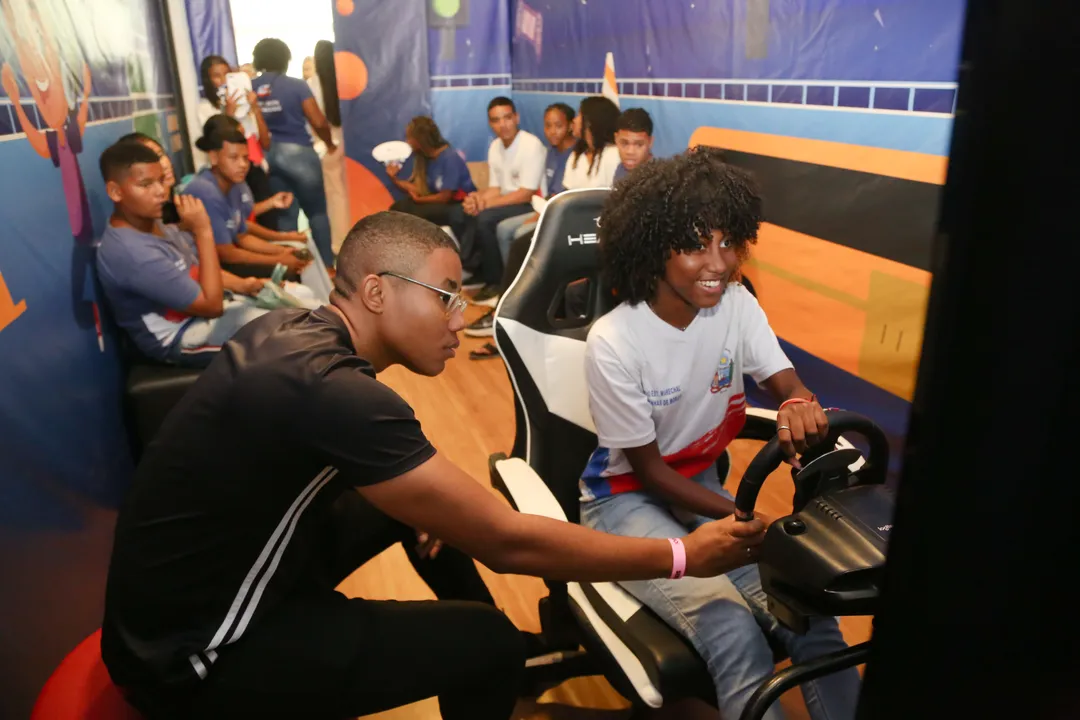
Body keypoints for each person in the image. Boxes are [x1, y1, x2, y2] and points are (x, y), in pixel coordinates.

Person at [100, 210, 768, 720]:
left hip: (174, 606)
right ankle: (491, 653)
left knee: (422, 517)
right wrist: (682, 556)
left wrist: (428, 514)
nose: (460, 317)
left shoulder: (291, 337)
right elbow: (506, 542)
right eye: (446, 294)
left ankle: (484, 654)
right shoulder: (340, 392)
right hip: (196, 657)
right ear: (376, 291)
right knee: (486, 640)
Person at [579, 149, 861, 720]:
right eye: (693, 245)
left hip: (704, 487)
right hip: (623, 502)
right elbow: (649, 472)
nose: (718, 263)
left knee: (809, 616)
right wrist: (738, 513)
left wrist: (799, 406)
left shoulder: (736, 305)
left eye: (728, 243)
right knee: (734, 632)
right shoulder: (613, 341)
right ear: (655, 246)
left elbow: (788, 383)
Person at [95, 141, 270, 367]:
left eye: (160, 181)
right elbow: (212, 306)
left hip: (203, 314)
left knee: (296, 313)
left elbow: (197, 271)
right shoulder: (131, 252)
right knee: (285, 338)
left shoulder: (157, 220)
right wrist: (203, 230)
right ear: (115, 192)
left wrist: (245, 285)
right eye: (146, 184)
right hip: (180, 336)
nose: (160, 191)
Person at [182, 115, 310, 278]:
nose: (242, 165)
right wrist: (278, 260)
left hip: (224, 259)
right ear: (214, 157)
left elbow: (242, 235)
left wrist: (282, 250)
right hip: (201, 268)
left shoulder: (235, 185)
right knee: (289, 271)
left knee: (297, 259)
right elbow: (226, 253)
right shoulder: (205, 190)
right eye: (234, 158)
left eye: (245, 158)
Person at [448, 97, 546, 307]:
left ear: (516, 118)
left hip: (531, 203)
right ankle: (479, 271)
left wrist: (485, 205)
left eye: (507, 118)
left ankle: (496, 280)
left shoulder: (531, 145)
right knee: (460, 212)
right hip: (508, 200)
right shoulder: (495, 146)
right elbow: (495, 188)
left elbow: (526, 193)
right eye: (496, 120)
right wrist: (476, 199)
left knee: (485, 218)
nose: (503, 124)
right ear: (490, 124)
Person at [252, 38, 337, 267]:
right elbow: (318, 120)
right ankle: (327, 267)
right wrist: (330, 144)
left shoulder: (250, 87)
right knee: (317, 213)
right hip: (299, 153)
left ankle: (295, 268)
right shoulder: (296, 85)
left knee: (284, 215)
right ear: (285, 59)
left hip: (267, 156)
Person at [196, 55, 275, 224]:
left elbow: (266, 143)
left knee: (268, 220)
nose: (223, 80)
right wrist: (229, 114)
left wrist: (254, 108)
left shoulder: (245, 106)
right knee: (240, 222)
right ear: (207, 80)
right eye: (217, 76)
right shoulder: (206, 108)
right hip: (229, 174)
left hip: (255, 170)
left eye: (227, 74)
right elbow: (217, 140)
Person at [386, 116, 476, 225]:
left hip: (459, 203)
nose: (407, 142)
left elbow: (445, 197)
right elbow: (420, 189)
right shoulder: (426, 158)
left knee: (416, 214)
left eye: (410, 138)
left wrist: (419, 200)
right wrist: (394, 179)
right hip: (441, 202)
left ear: (420, 140)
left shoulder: (450, 158)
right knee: (398, 208)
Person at [307, 40, 351, 255]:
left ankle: (341, 245)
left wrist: (327, 143)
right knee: (353, 192)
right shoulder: (346, 79)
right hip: (349, 141)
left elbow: (315, 121)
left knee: (336, 196)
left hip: (327, 145)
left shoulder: (314, 83)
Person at [561, 96, 621, 191]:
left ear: (590, 122)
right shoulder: (576, 155)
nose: (574, 120)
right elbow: (567, 193)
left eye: (579, 115)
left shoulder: (613, 154)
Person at [119, 132, 180, 225]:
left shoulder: (178, 204)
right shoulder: (146, 221)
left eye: (160, 155)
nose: (164, 165)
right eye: (151, 161)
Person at [612, 107, 654, 181]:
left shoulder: (658, 178)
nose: (630, 152)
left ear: (650, 142)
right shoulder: (621, 169)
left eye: (639, 145)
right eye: (624, 143)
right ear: (616, 139)